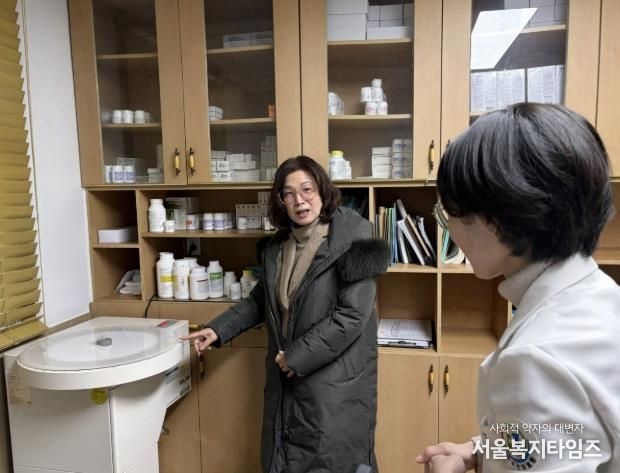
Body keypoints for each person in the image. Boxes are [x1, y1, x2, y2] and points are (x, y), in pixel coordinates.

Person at [415, 103, 620, 472]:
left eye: (450, 214)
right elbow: (575, 438)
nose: (450, 232)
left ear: (496, 219)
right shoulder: (599, 293)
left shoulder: (535, 359)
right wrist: (483, 449)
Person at [183, 156, 390, 473]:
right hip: (286, 377)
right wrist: (218, 329)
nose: (299, 200)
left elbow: (351, 317)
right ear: (280, 201)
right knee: (285, 458)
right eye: (288, 193)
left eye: (307, 189)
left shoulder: (355, 239)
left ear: (322, 190)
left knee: (330, 461)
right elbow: (260, 300)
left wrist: (295, 357)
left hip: (332, 384)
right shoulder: (278, 247)